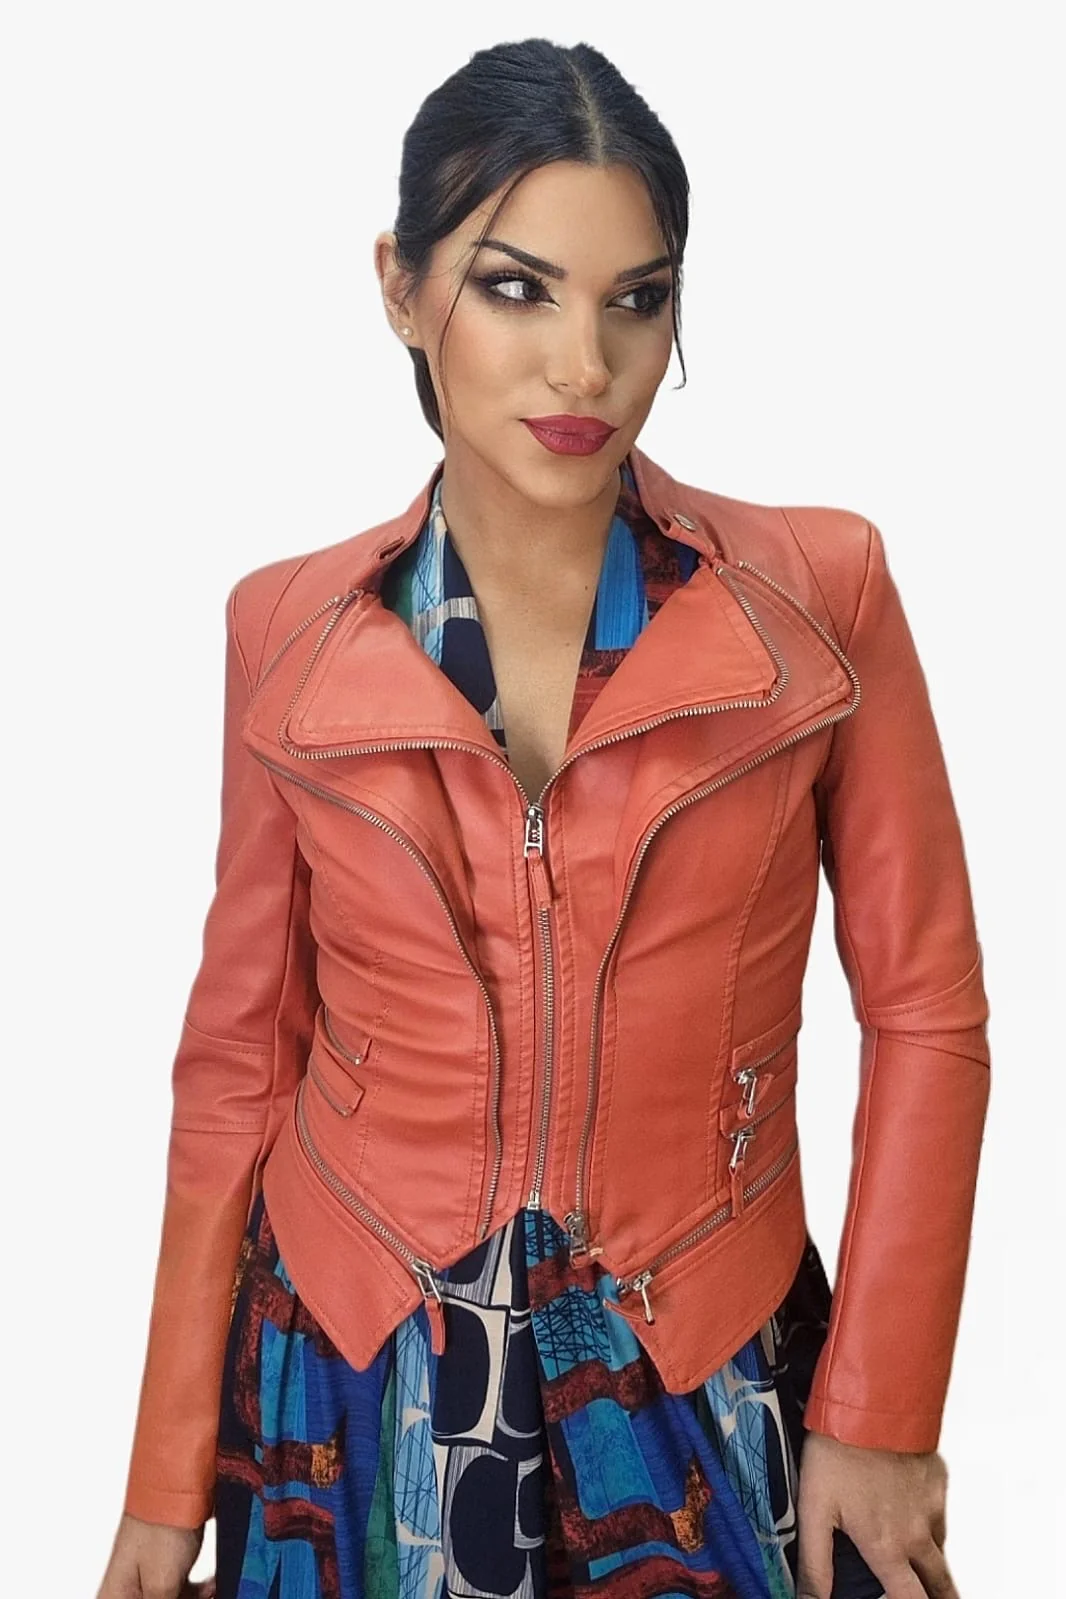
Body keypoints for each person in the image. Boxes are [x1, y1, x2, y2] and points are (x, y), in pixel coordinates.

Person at [97, 36, 990, 1599]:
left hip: (703, 1349)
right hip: (353, 1373)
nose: (584, 365)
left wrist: (882, 1410)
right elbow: (237, 1063)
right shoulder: (285, 630)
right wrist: (164, 1485)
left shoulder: (820, 597)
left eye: (635, 299)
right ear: (399, 287)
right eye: (516, 289)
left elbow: (924, 1011)